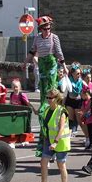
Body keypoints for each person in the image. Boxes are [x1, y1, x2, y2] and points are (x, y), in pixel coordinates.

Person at [26, 15, 65, 155]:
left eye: (49, 28)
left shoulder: (54, 38)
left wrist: (64, 67)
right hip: (42, 65)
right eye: (45, 28)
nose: (47, 30)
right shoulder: (37, 38)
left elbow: (59, 53)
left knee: (51, 89)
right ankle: (45, 106)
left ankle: (52, 102)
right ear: (41, 28)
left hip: (52, 64)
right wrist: (26, 62)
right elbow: (32, 51)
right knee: (44, 94)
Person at [33, 89, 71, 182]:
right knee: (43, 162)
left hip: (60, 142)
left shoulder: (61, 111)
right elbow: (46, 125)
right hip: (49, 140)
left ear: (57, 99)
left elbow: (61, 128)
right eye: (47, 98)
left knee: (61, 164)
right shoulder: (47, 110)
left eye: (51, 98)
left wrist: (55, 142)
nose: (48, 100)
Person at [65, 62, 84, 137]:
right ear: (72, 74)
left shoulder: (81, 81)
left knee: (79, 120)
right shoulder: (68, 80)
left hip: (78, 101)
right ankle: (69, 133)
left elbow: (87, 90)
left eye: (79, 73)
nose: (79, 75)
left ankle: (87, 136)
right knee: (70, 118)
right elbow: (65, 93)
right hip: (70, 100)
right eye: (77, 73)